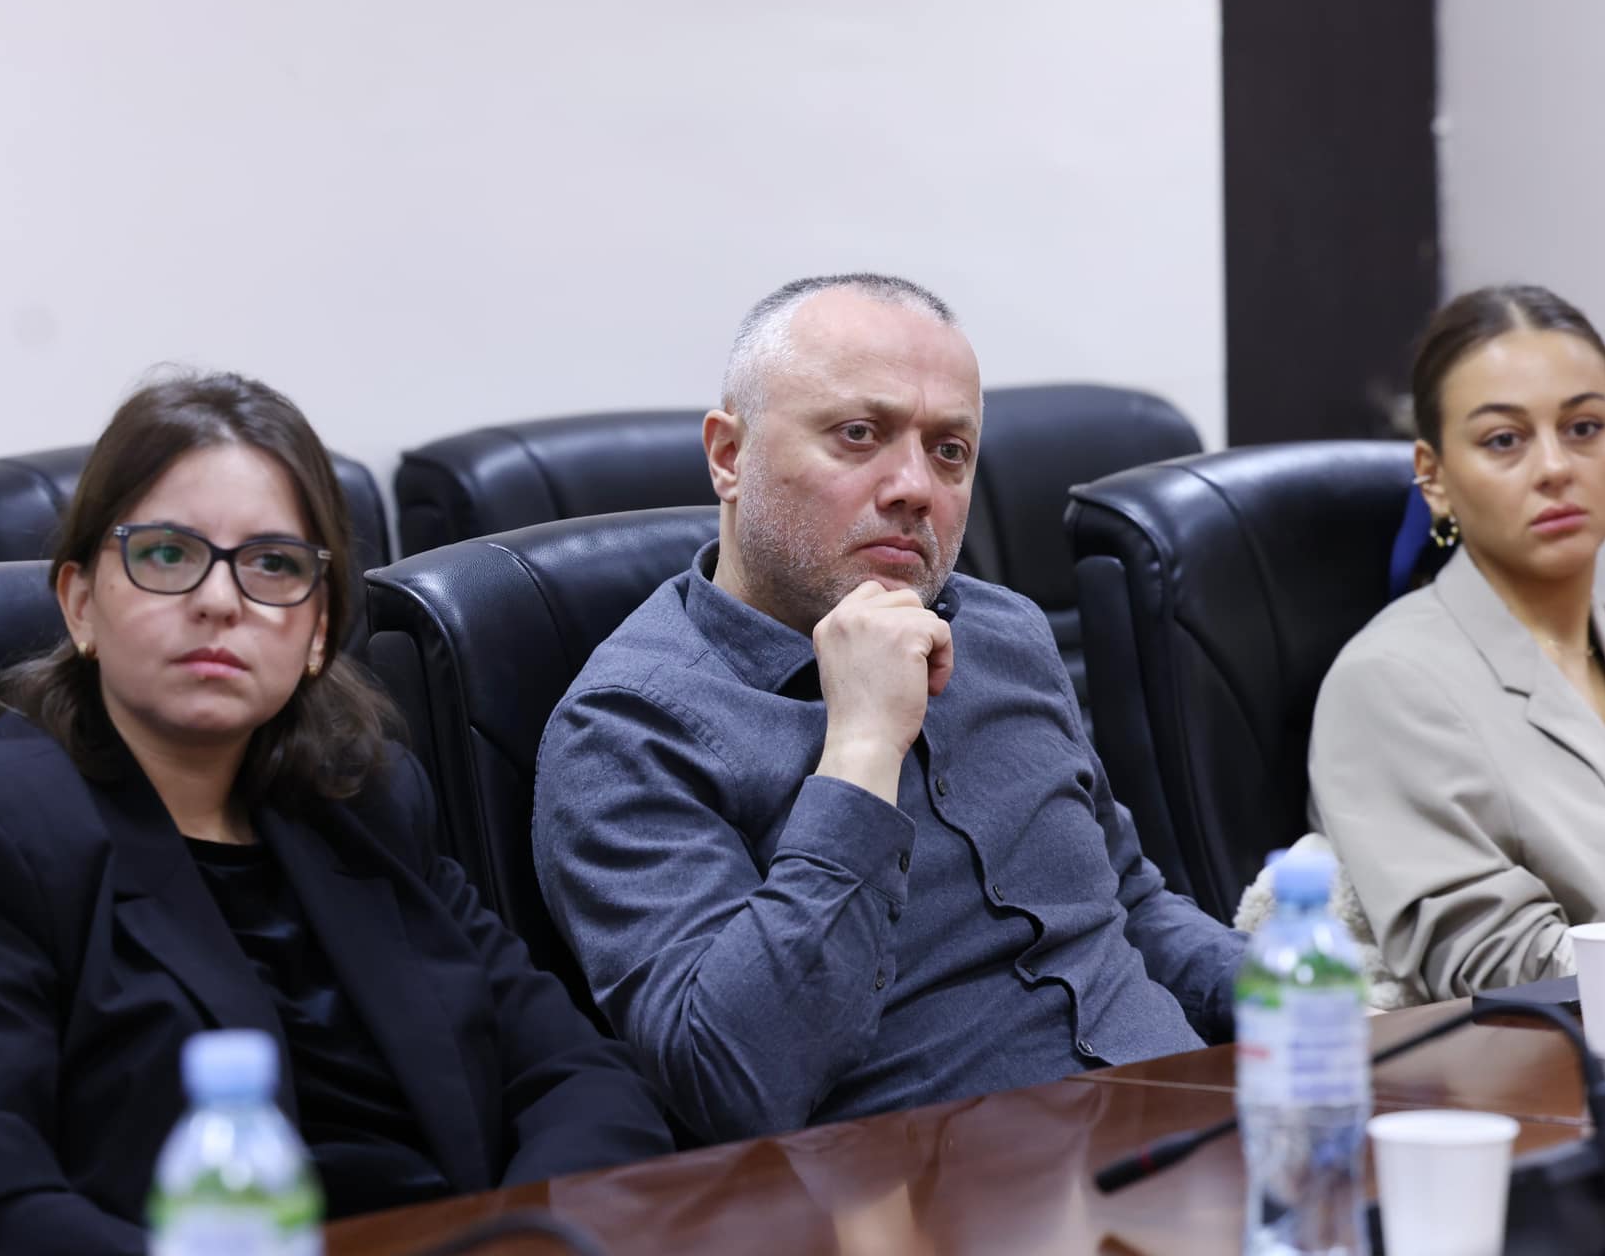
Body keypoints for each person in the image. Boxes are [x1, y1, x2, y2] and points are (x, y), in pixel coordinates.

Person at [0, 372, 671, 1256]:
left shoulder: (366, 801)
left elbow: (579, 1079)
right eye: (167, 554)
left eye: (273, 564)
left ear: (318, 630)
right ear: (80, 604)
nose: (220, 600)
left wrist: (518, 1242)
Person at [532, 273, 1243, 1144]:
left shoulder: (1005, 631)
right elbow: (738, 1081)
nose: (914, 487)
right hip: (941, 1191)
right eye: (858, 434)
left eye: (949, 450)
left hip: (1199, 1134)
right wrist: (862, 749)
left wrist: (1302, 996)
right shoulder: (627, 728)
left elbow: (1127, 901)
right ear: (729, 455)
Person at [1308, 285, 1605, 1002]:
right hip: (1571, 1063)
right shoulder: (1388, 684)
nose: (1555, 468)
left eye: (1584, 428)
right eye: (1504, 440)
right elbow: (1491, 959)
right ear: (1433, 477)